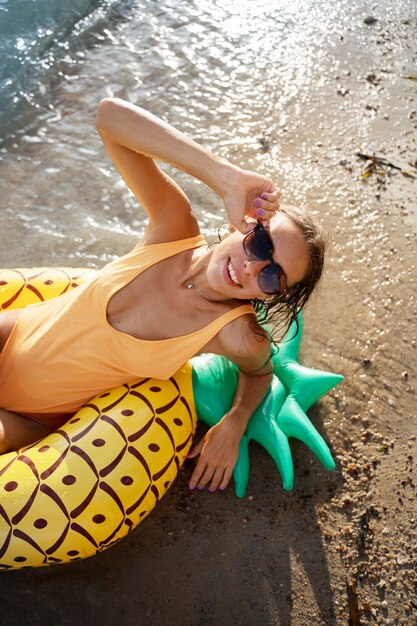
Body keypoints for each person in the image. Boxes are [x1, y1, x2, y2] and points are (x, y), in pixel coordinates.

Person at [0, 98, 325, 492]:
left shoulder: (233, 332)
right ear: (247, 223)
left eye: (272, 277)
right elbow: (109, 118)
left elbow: (260, 371)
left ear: (272, 295)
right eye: (260, 244)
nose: (251, 268)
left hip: (30, 415)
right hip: (9, 337)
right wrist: (225, 178)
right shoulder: (173, 228)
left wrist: (235, 420)